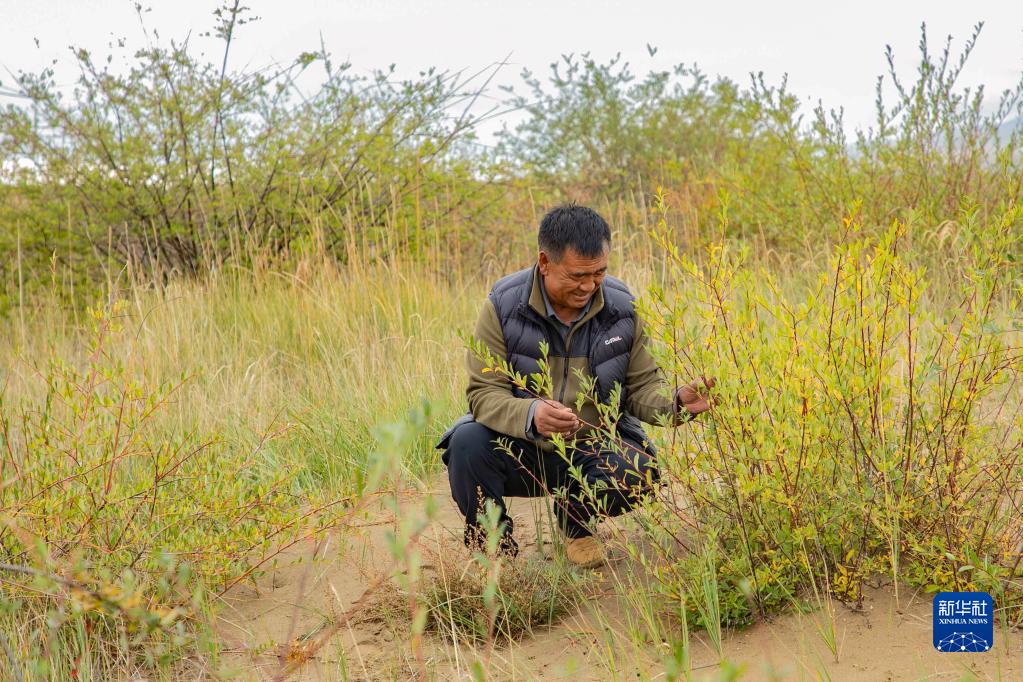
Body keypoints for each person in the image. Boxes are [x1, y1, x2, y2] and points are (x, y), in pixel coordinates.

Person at [437, 204, 713, 567]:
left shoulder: (622, 308)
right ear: (544, 262)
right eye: (578, 275)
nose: (589, 285)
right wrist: (531, 413)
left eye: (599, 272)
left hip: (592, 449)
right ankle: (493, 552)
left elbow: (641, 386)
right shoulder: (503, 306)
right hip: (522, 447)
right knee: (466, 443)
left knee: (641, 470)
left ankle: (577, 526)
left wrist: (675, 402)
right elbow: (483, 394)